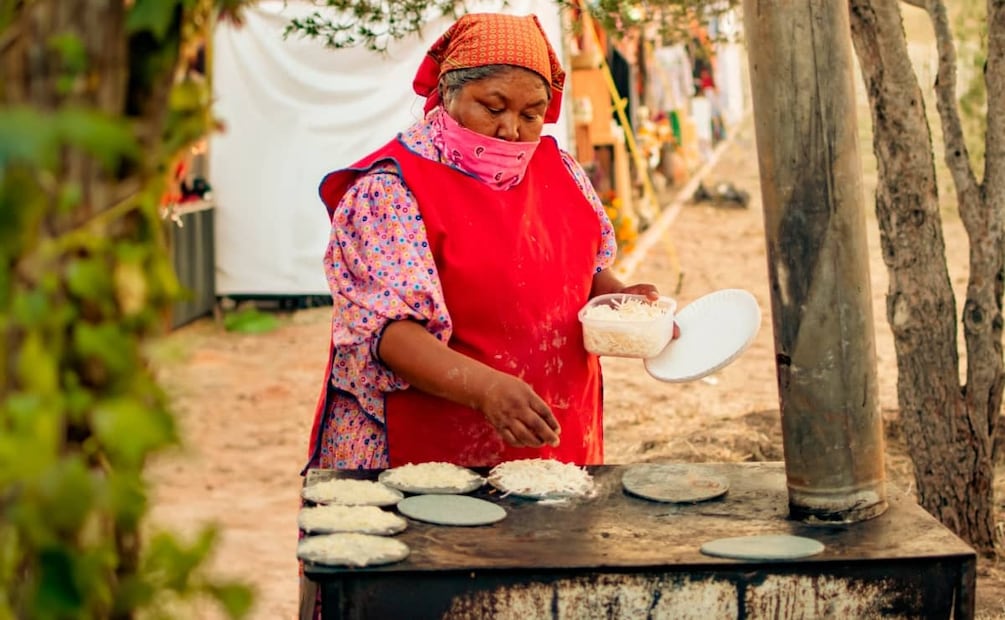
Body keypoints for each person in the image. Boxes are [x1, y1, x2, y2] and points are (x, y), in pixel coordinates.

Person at [304, 12, 673, 474]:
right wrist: (485, 390)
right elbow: (388, 333)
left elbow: (583, 269)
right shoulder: (390, 190)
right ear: (448, 93)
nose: (511, 130)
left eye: (531, 114)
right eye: (493, 108)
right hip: (433, 451)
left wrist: (620, 301)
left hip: (555, 438)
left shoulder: (560, 170)